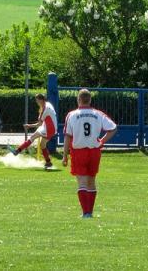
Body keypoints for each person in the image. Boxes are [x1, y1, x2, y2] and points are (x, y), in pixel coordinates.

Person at [62, 89, 117, 218]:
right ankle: (90, 212)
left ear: (78, 100)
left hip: (78, 151)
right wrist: (102, 141)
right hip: (94, 151)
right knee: (91, 180)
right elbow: (113, 128)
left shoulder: (72, 115)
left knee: (81, 181)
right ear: (90, 100)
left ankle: (85, 212)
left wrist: (65, 155)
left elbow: (67, 136)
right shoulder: (98, 114)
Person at [9, 93, 57, 171]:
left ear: (42, 100)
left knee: (33, 137)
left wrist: (29, 126)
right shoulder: (47, 104)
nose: (37, 102)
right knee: (42, 145)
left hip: (48, 128)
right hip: (50, 127)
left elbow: (39, 124)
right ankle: (48, 162)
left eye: (37, 101)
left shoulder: (45, 109)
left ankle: (17, 151)